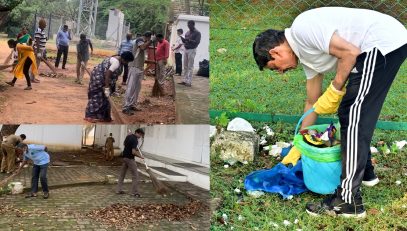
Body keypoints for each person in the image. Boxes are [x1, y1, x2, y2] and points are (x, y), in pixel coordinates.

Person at [252, 7, 407, 218]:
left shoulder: (302, 29)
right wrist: (300, 143)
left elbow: (350, 53)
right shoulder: (305, 56)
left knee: (353, 113)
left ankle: (348, 200)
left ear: (275, 53)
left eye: (274, 67)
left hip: (380, 42)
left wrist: (335, 87)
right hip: (377, 46)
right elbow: (312, 102)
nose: (280, 72)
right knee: (351, 112)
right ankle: (366, 173)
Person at [84, 51, 134, 123]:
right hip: (99, 79)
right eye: (127, 61)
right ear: (123, 59)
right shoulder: (116, 63)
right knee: (97, 96)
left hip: (104, 79)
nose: (127, 63)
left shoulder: (116, 58)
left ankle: (104, 117)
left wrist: (111, 88)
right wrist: (107, 88)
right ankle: (90, 116)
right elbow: (108, 73)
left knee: (106, 98)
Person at [122, 31, 152, 115]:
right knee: (131, 87)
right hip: (134, 67)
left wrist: (149, 42)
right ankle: (126, 106)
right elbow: (142, 47)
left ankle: (132, 104)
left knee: (137, 88)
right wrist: (150, 41)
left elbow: (144, 48)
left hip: (139, 67)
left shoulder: (144, 41)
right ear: (148, 37)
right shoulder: (139, 40)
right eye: (149, 38)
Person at [116, 128, 145, 197]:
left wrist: (135, 148)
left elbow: (125, 144)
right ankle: (134, 192)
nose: (140, 136)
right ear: (137, 133)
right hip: (130, 159)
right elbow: (133, 152)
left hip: (124, 157)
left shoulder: (128, 136)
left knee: (122, 175)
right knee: (135, 176)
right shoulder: (135, 140)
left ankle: (118, 190)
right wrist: (140, 156)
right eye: (140, 135)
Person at [179, 20, 201, 87]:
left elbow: (197, 42)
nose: (188, 26)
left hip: (192, 49)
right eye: (188, 25)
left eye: (189, 25)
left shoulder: (197, 33)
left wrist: (189, 40)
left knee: (190, 66)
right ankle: (184, 80)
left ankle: (189, 82)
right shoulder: (187, 33)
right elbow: (185, 41)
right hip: (186, 49)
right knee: (185, 66)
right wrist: (184, 40)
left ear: (193, 25)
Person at [30, 18, 47, 83]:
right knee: (36, 64)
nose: (46, 25)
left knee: (37, 64)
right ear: (42, 24)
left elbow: (41, 39)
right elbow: (37, 41)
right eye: (45, 24)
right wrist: (38, 52)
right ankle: (32, 78)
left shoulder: (42, 31)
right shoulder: (38, 31)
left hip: (41, 49)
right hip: (38, 49)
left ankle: (33, 77)